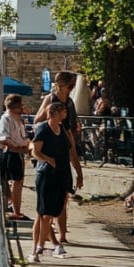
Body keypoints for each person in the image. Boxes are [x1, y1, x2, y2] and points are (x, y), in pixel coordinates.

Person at [34, 71, 84, 244]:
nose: (72, 89)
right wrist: (51, 123)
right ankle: (48, 238)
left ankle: (62, 234)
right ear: (63, 85)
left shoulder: (69, 102)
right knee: (48, 201)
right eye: (70, 86)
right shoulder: (50, 99)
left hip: (65, 138)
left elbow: (71, 125)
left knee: (63, 196)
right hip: (51, 145)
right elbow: (38, 119)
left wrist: (78, 169)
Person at [30, 100, 73, 261]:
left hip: (61, 174)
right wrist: (48, 159)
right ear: (55, 113)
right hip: (47, 174)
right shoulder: (44, 129)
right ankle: (37, 248)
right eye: (63, 111)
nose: (65, 114)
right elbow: (35, 150)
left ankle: (45, 245)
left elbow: (68, 150)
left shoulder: (61, 129)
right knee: (43, 213)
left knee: (54, 211)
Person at [0, 94, 31, 221]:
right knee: (16, 181)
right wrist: (16, 147)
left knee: (18, 181)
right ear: (15, 106)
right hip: (12, 152)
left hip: (19, 152)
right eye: (20, 105)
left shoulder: (18, 119)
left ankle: (17, 209)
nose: (22, 107)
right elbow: (3, 137)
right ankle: (16, 210)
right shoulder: (7, 119)